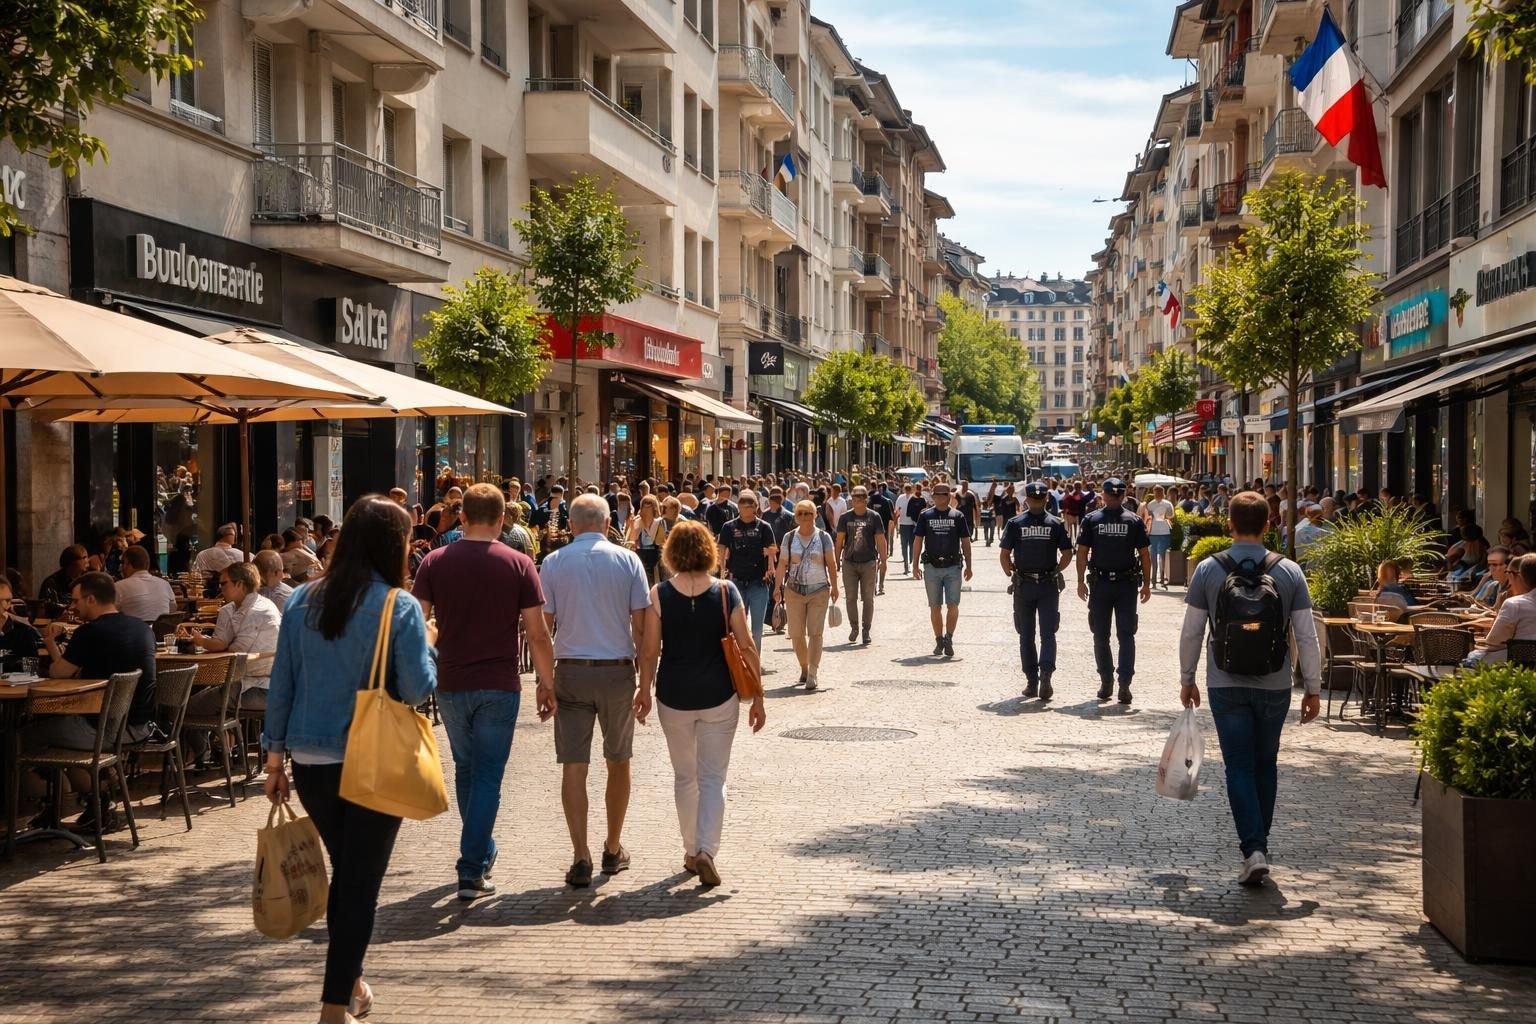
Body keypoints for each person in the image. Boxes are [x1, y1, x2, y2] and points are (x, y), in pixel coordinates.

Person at [263, 495, 437, 1024]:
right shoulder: (398, 606)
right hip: (374, 760)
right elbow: (414, 688)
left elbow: (282, 682)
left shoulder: (300, 601)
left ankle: (351, 979)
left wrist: (273, 760)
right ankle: (334, 1007)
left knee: (350, 874)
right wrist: (429, 643)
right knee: (360, 882)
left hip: (310, 760)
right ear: (395, 545)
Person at [412, 484, 556, 901]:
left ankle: (480, 850)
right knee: (488, 774)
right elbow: (537, 632)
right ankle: (471, 866)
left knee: (466, 768)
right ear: (500, 520)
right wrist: (546, 681)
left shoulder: (434, 562)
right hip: (499, 681)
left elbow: (417, 623)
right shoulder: (518, 563)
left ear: (461, 517)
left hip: (451, 682)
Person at [1178, 490, 1322, 886]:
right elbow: (1307, 636)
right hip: (1275, 683)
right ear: (1268, 523)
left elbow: (1192, 632)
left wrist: (1187, 678)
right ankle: (1260, 844)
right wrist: (1313, 686)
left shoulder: (1209, 569)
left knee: (1239, 765)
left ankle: (1253, 849)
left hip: (1225, 682)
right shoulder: (1289, 571)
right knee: (1265, 763)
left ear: (1229, 524)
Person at [636, 521, 765, 888]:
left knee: (684, 776)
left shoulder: (659, 594)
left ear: (671, 552)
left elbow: (649, 650)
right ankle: (707, 849)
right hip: (719, 696)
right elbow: (747, 647)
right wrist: (759, 697)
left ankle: (691, 850)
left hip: (674, 696)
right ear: (709, 550)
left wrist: (643, 690)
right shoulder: (727, 592)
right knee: (713, 777)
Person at [538, 494, 652, 888]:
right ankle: (612, 847)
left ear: (571, 525)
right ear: (608, 524)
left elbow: (541, 628)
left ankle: (580, 855)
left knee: (574, 765)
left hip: (570, 670)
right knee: (619, 760)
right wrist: (646, 680)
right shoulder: (629, 561)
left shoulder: (552, 563)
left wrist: (543, 680)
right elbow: (641, 625)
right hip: (617, 671)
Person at [36, 571, 158, 829]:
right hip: (141, 725)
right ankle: (95, 798)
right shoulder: (143, 628)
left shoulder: (89, 632)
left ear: (91, 600)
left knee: (25, 735)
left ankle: (64, 803)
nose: (73, 606)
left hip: (105, 730)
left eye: (76, 600)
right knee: (55, 731)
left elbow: (59, 673)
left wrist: (49, 642)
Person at [1076, 478, 1152, 704]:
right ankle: (1124, 684)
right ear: (1123, 496)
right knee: (1126, 636)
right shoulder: (1134, 521)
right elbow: (1145, 555)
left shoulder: (1092, 520)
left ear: (1104, 495)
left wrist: (1080, 581)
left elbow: (1082, 553)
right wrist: (1147, 583)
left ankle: (1106, 681)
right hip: (1126, 585)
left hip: (1101, 585)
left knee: (1101, 636)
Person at [1000, 482, 1073, 700]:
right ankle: (1046, 675)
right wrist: (1056, 570)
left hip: (1025, 585)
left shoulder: (1015, 523)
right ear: (1046, 501)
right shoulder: (1056, 524)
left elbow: (1004, 554)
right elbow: (1068, 553)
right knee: (1048, 634)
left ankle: (1032, 680)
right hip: (1048, 585)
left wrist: (1009, 570)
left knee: (1026, 635)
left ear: (1027, 500)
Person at [190, 560, 282, 712]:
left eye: (224, 583)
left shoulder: (256, 612)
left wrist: (205, 643)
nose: (220, 588)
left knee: (188, 708)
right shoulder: (254, 606)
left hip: (259, 689)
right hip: (261, 685)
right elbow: (225, 645)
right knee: (197, 703)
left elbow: (236, 655)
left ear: (239, 584)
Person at [773, 500, 838, 691]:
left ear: (815, 515)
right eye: (800, 513)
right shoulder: (789, 537)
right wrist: (777, 587)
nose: (804, 517)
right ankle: (804, 666)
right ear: (795, 516)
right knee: (796, 634)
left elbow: (832, 564)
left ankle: (813, 673)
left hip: (819, 590)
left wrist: (835, 586)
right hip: (793, 590)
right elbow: (782, 563)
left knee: (816, 633)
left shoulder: (824, 537)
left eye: (808, 513)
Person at [910, 482, 974, 658]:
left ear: (949, 497)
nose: (940, 498)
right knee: (935, 606)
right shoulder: (926, 516)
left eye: (943, 495)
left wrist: (969, 565)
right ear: (933, 497)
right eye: (936, 495)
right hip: (931, 566)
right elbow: (918, 541)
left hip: (953, 566)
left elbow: (965, 542)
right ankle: (939, 640)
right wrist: (914, 565)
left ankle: (949, 637)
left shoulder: (957, 516)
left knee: (953, 605)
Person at [716, 490, 777, 650]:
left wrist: (770, 560)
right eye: (743, 507)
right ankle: (739, 660)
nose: (746, 510)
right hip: (736, 582)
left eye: (749, 507)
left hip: (759, 582)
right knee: (737, 626)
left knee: (757, 629)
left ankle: (754, 661)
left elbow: (772, 548)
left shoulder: (764, 527)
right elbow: (721, 548)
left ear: (755, 507)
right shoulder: (729, 527)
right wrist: (721, 571)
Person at [835, 486, 889, 646]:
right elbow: (839, 541)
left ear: (866, 499)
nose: (858, 500)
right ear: (852, 499)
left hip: (869, 562)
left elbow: (880, 539)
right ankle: (854, 627)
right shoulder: (845, 518)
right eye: (855, 497)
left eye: (861, 497)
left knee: (868, 599)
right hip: (849, 563)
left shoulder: (874, 517)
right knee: (851, 598)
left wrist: (883, 560)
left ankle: (866, 630)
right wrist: (836, 561)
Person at [1467, 554, 1536, 663]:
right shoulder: (1509, 598)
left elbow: (1494, 641)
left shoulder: (1514, 604)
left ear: (1520, 576)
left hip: (1516, 665)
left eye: (1509, 573)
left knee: (1472, 657)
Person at [114, 545, 177, 623]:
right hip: (161, 634)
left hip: (132, 633)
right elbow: (172, 609)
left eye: (122, 563)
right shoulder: (165, 584)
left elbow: (111, 615)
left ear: (127, 562)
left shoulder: (119, 587)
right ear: (147, 564)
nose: (120, 568)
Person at [0, 576, 41, 671]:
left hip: (17, 684)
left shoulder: (23, 631)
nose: (3, 606)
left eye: (7, 600)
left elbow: (31, 671)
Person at [627, 495, 669, 584]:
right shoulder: (637, 521)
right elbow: (632, 540)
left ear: (654, 508)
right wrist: (633, 526)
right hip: (641, 556)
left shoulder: (660, 522)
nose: (647, 510)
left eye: (649, 507)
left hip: (655, 557)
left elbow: (661, 541)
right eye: (644, 507)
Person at [38, 544, 91, 609]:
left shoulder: (88, 580)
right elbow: (49, 609)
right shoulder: (52, 582)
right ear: (72, 561)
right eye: (84, 557)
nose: (88, 561)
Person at [1143, 485, 1176, 590]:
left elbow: (1172, 516)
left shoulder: (1167, 504)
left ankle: (1162, 580)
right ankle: (1153, 581)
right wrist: (1150, 517)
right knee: (1153, 558)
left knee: (1162, 557)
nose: (1158, 495)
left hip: (1164, 532)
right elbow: (1146, 518)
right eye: (1156, 493)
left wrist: (1166, 514)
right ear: (1154, 493)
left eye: (1160, 493)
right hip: (1153, 533)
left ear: (1163, 493)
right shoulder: (1150, 505)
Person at [895, 483, 920, 574]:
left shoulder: (900, 498)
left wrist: (896, 525)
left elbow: (897, 512)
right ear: (912, 489)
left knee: (904, 545)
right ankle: (911, 561)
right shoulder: (914, 498)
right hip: (912, 524)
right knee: (912, 544)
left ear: (904, 489)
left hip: (903, 524)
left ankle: (906, 564)